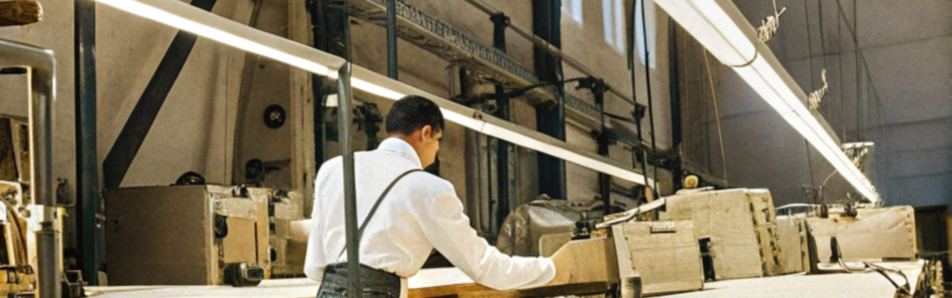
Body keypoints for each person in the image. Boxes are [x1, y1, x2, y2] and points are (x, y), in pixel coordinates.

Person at [305, 96, 561, 297]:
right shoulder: (429, 188)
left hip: (328, 290)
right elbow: (484, 267)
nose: (437, 151)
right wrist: (552, 267)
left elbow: (314, 260)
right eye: (438, 140)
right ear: (426, 132)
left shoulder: (333, 168)